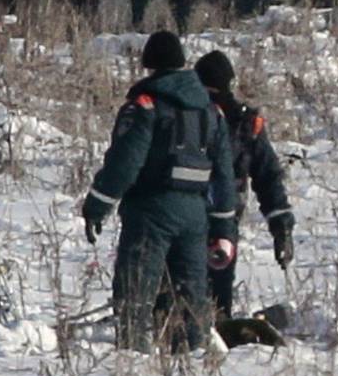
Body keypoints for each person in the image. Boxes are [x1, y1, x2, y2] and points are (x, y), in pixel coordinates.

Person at [81, 31, 237, 352]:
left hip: (150, 212)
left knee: (135, 296)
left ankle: (133, 362)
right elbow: (223, 177)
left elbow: (125, 162)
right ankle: (192, 363)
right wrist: (223, 229)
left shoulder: (146, 106)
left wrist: (97, 205)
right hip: (195, 217)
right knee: (191, 297)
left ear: (150, 66)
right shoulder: (211, 112)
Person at [194, 50, 295, 318]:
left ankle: (211, 331)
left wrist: (281, 225)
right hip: (201, 219)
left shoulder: (245, 125)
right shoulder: (190, 118)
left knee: (213, 295)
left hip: (213, 220)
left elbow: (268, 176)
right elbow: (269, 177)